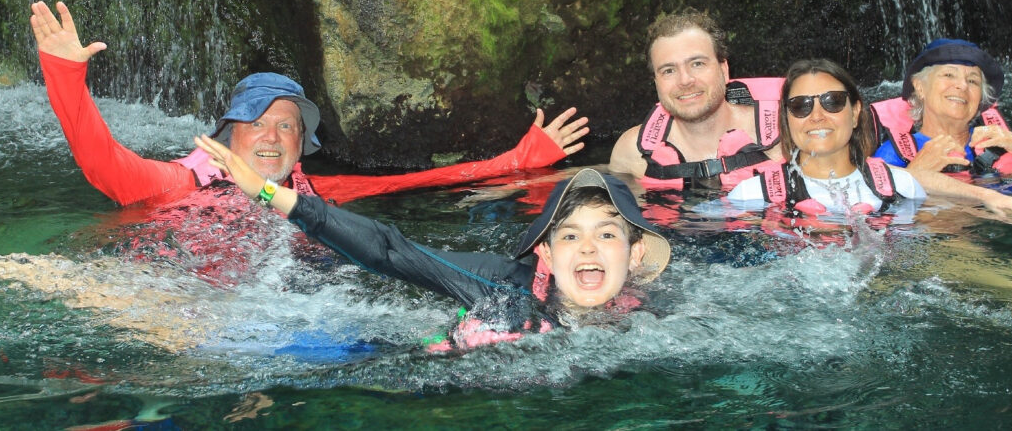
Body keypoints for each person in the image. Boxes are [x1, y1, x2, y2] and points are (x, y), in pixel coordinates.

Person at [30, 0, 590, 209]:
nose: (271, 136)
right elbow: (101, 160)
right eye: (258, 123)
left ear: (303, 147)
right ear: (227, 136)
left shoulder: (318, 193)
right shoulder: (178, 184)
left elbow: (420, 182)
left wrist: (518, 162)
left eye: (287, 127)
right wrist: (64, 74)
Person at [194, 133, 672, 350]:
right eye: (570, 236)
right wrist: (268, 192)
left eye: (606, 234)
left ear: (634, 255)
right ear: (545, 252)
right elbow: (391, 251)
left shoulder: (660, 320)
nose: (588, 248)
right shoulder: (500, 286)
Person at [726, 59, 925, 227]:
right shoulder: (750, 196)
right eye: (800, 105)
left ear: (855, 113)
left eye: (833, 101)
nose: (817, 116)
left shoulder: (904, 188)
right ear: (787, 120)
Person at [608, 10, 784, 190]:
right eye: (669, 70)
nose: (685, 81)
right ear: (656, 82)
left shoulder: (786, 136)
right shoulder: (631, 153)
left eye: (697, 64)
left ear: (724, 70)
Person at [872, 38, 1012, 176]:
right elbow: (872, 209)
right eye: (949, 74)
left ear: (981, 98)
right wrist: (914, 174)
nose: (962, 85)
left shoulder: (1004, 143)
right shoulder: (895, 156)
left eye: (973, 81)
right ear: (919, 87)